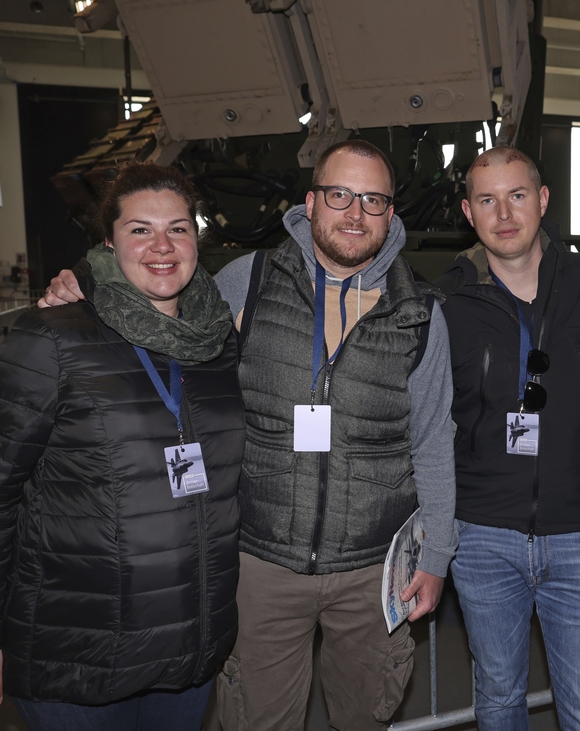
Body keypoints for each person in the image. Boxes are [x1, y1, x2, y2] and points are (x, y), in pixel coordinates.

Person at [39, 139, 458, 730]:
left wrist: (436, 555)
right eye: (339, 194)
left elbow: (435, 439)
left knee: (365, 717)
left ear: (391, 213)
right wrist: (84, 287)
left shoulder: (420, 312)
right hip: (261, 565)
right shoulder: (248, 281)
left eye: (373, 199)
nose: (355, 212)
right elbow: (158, 304)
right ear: (310, 203)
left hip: (373, 571)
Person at [0, 162, 245, 730]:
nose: (162, 245)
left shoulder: (218, 343)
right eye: (140, 230)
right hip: (76, 655)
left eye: (178, 228)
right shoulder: (52, 337)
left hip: (187, 650)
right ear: (108, 241)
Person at [435, 146, 580, 730]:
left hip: (579, 535)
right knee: (499, 698)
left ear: (542, 200)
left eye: (516, 196)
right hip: (483, 536)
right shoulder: (448, 301)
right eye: (487, 199)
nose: (503, 213)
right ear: (468, 210)